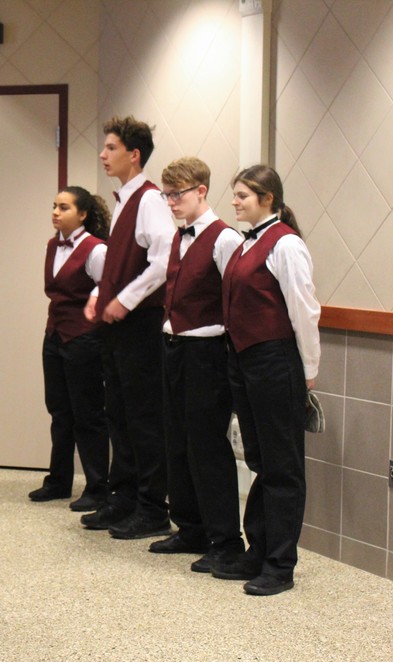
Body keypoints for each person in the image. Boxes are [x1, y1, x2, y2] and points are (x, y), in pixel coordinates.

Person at [213, 165, 320, 596]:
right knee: (259, 460)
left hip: (276, 361)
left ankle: (280, 564)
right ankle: (258, 550)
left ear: (267, 199)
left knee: (283, 466)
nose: (235, 201)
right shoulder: (244, 244)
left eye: (243, 195)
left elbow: (304, 311)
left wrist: (308, 371)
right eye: (235, 195)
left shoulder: (286, 244)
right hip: (244, 360)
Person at [150, 157, 245, 573]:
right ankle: (190, 527)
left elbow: (235, 302)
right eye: (166, 195)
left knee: (207, 446)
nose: (171, 202)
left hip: (207, 352)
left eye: (178, 194)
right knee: (177, 440)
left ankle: (225, 540)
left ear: (201, 191)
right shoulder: (178, 236)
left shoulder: (224, 239)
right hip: (173, 346)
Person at [81, 116, 173, 540]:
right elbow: (121, 264)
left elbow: (162, 261)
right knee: (117, 412)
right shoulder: (122, 201)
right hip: (117, 323)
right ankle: (124, 498)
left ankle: (152, 507)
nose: (103, 154)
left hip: (140, 324)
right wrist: (102, 293)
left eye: (111, 147)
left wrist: (124, 299)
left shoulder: (151, 200)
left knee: (142, 417)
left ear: (133, 155)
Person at [27, 187, 111, 512]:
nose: (56, 212)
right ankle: (58, 480)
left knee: (88, 414)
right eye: (54, 206)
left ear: (83, 214)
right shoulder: (52, 245)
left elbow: (106, 289)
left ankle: (97, 488)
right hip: (54, 335)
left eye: (64, 207)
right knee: (59, 410)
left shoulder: (96, 249)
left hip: (84, 339)